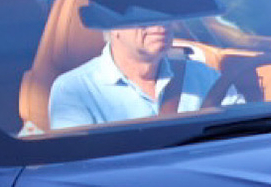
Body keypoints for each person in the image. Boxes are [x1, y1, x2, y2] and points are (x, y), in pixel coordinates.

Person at [46, 19, 215, 129]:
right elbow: (80, 165)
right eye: (143, 14)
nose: (160, 23)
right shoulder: (75, 89)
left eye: (166, 13)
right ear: (113, 28)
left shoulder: (202, 75)